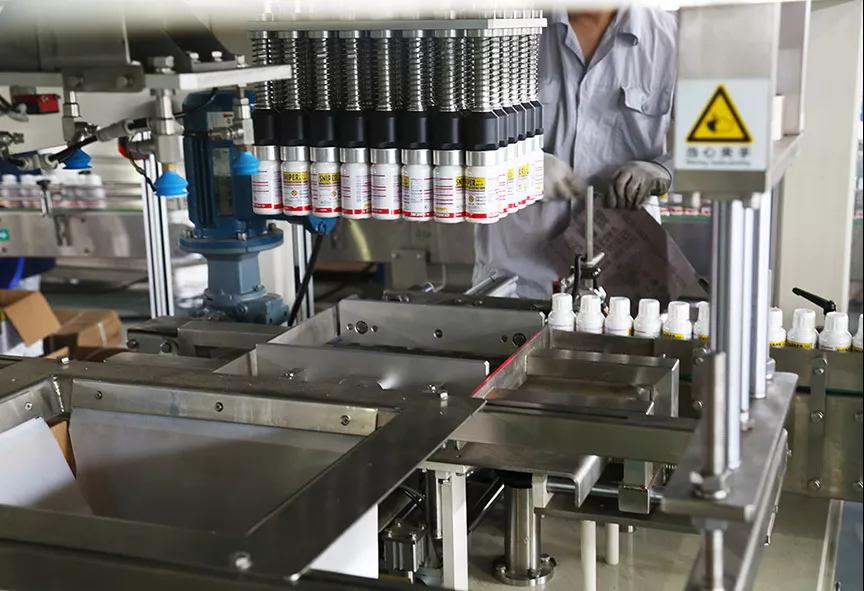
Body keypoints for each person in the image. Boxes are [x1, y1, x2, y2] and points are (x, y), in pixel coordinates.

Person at [473, 8, 676, 299]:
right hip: (515, 279)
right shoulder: (503, 26)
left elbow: (714, 144)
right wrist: (518, 165)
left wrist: (663, 171)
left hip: (623, 281)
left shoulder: (672, 39)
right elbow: (453, 132)